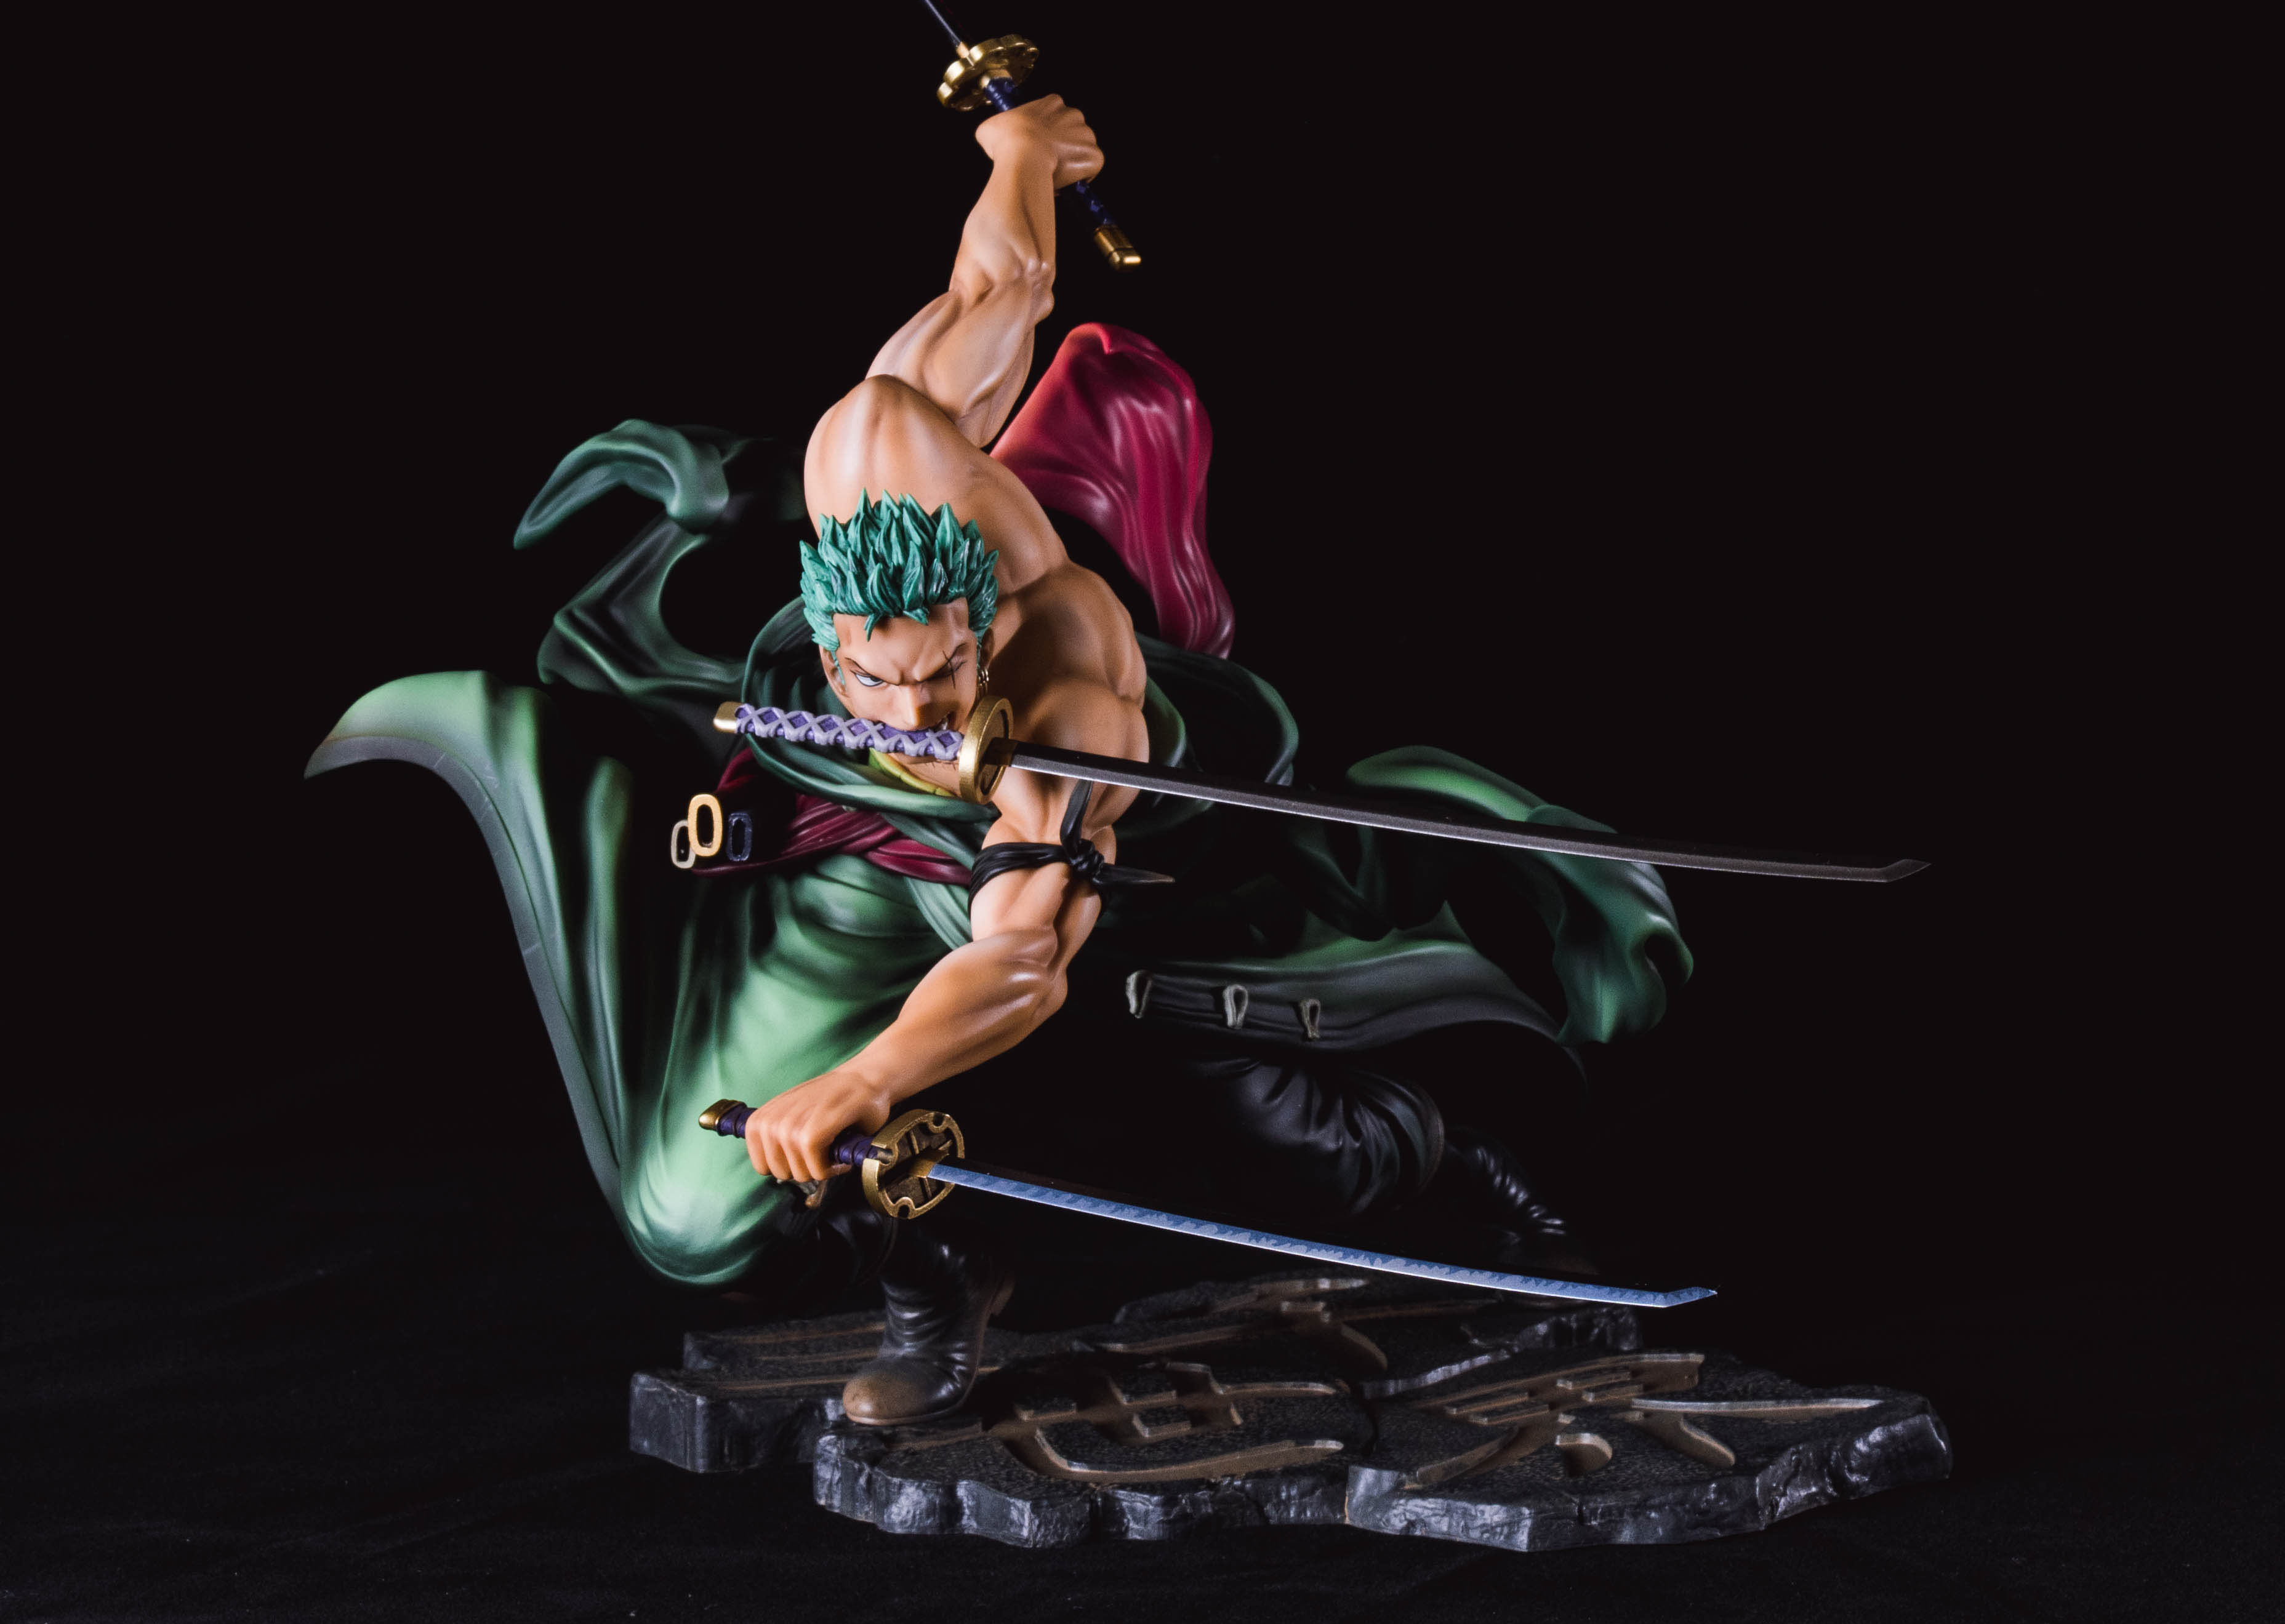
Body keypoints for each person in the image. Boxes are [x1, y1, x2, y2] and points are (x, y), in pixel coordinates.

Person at [313, 94, 1686, 1423]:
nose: (914, 710)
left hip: (1114, 871)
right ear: (831, 635)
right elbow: (1004, 285)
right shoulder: (869, 444)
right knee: (694, 1213)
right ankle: (941, 1281)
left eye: (941, 676)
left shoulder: (1068, 693)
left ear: (980, 623)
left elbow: (1024, 956)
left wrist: (867, 1077)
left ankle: (1519, 1212)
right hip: (878, 847)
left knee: (1308, 1151)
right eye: (878, 679)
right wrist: (1019, 150)